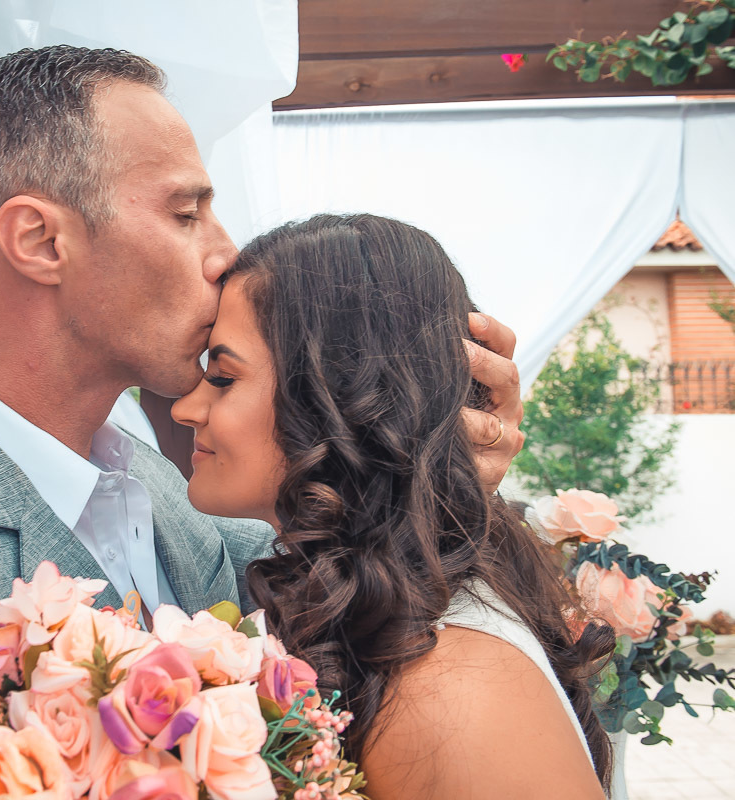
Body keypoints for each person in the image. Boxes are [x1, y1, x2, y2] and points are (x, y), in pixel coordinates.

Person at [0, 47, 524, 797]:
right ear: (41, 240)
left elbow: (326, 590)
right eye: (186, 212)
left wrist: (425, 470)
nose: (226, 252)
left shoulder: (170, 479)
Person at [171, 213, 613, 799]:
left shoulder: (450, 692)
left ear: (339, 396)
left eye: (223, 376)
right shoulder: (372, 609)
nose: (185, 409)